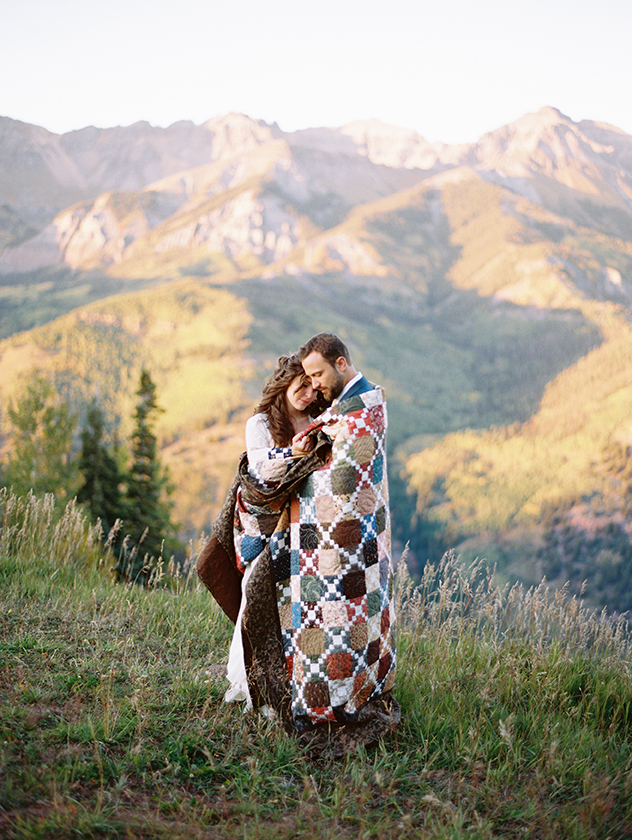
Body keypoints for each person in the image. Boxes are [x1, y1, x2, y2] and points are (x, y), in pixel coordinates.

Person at [197, 336, 399, 757]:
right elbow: (261, 473)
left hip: (300, 536)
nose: (310, 392)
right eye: (302, 385)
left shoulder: (321, 418)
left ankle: (298, 686)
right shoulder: (260, 425)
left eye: (313, 382)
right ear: (283, 387)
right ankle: (254, 688)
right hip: (266, 530)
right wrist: (295, 452)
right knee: (259, 607)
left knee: (294, 619)